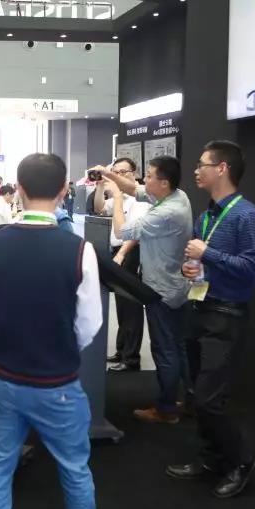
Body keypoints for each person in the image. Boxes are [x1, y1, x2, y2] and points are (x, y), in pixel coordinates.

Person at [0, 153, 103, 509]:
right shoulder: (79, 250)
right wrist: (58, 347)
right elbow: (89, 324)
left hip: (5, 377)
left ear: (19, 188)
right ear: (65, 190)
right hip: (58, 382)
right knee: (75, 469)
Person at [166, 140, 255, 499]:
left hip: (226, 315)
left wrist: (208, 253)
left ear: (222, 168)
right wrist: (192, 266)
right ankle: (211, 458)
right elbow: (199, 261)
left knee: (210, 399)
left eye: (202, 164)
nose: (196, 170)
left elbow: (254, 267)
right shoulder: (206, 216)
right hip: (199, 308)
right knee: (197, 394)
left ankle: (242, 462)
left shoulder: (246, 216)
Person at [102, 156, 193, 424]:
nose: (144, 180)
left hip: (162, 291)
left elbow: (122, 231)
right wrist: (109, 174)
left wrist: (117, 198)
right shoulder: (177, 196)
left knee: (165, 350)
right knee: (179, 347)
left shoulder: (166, 213)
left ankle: (166, 409)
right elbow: (135, 189)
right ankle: (189, 401)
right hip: (176, 287)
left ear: (163, 183)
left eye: (150, 176)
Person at [93, 158, 149, 373]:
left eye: (123, 172)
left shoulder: (140, 199)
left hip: (131, 252)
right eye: (114, 172)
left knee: (131, 306)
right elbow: (99, 208)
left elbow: (135, 232)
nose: (117, 176)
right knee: (121, 305)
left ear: (134, 173)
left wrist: (123, 253)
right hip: (117, 252)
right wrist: (100, 187)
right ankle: (121, 349)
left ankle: (131, 357)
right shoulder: (120, 197)